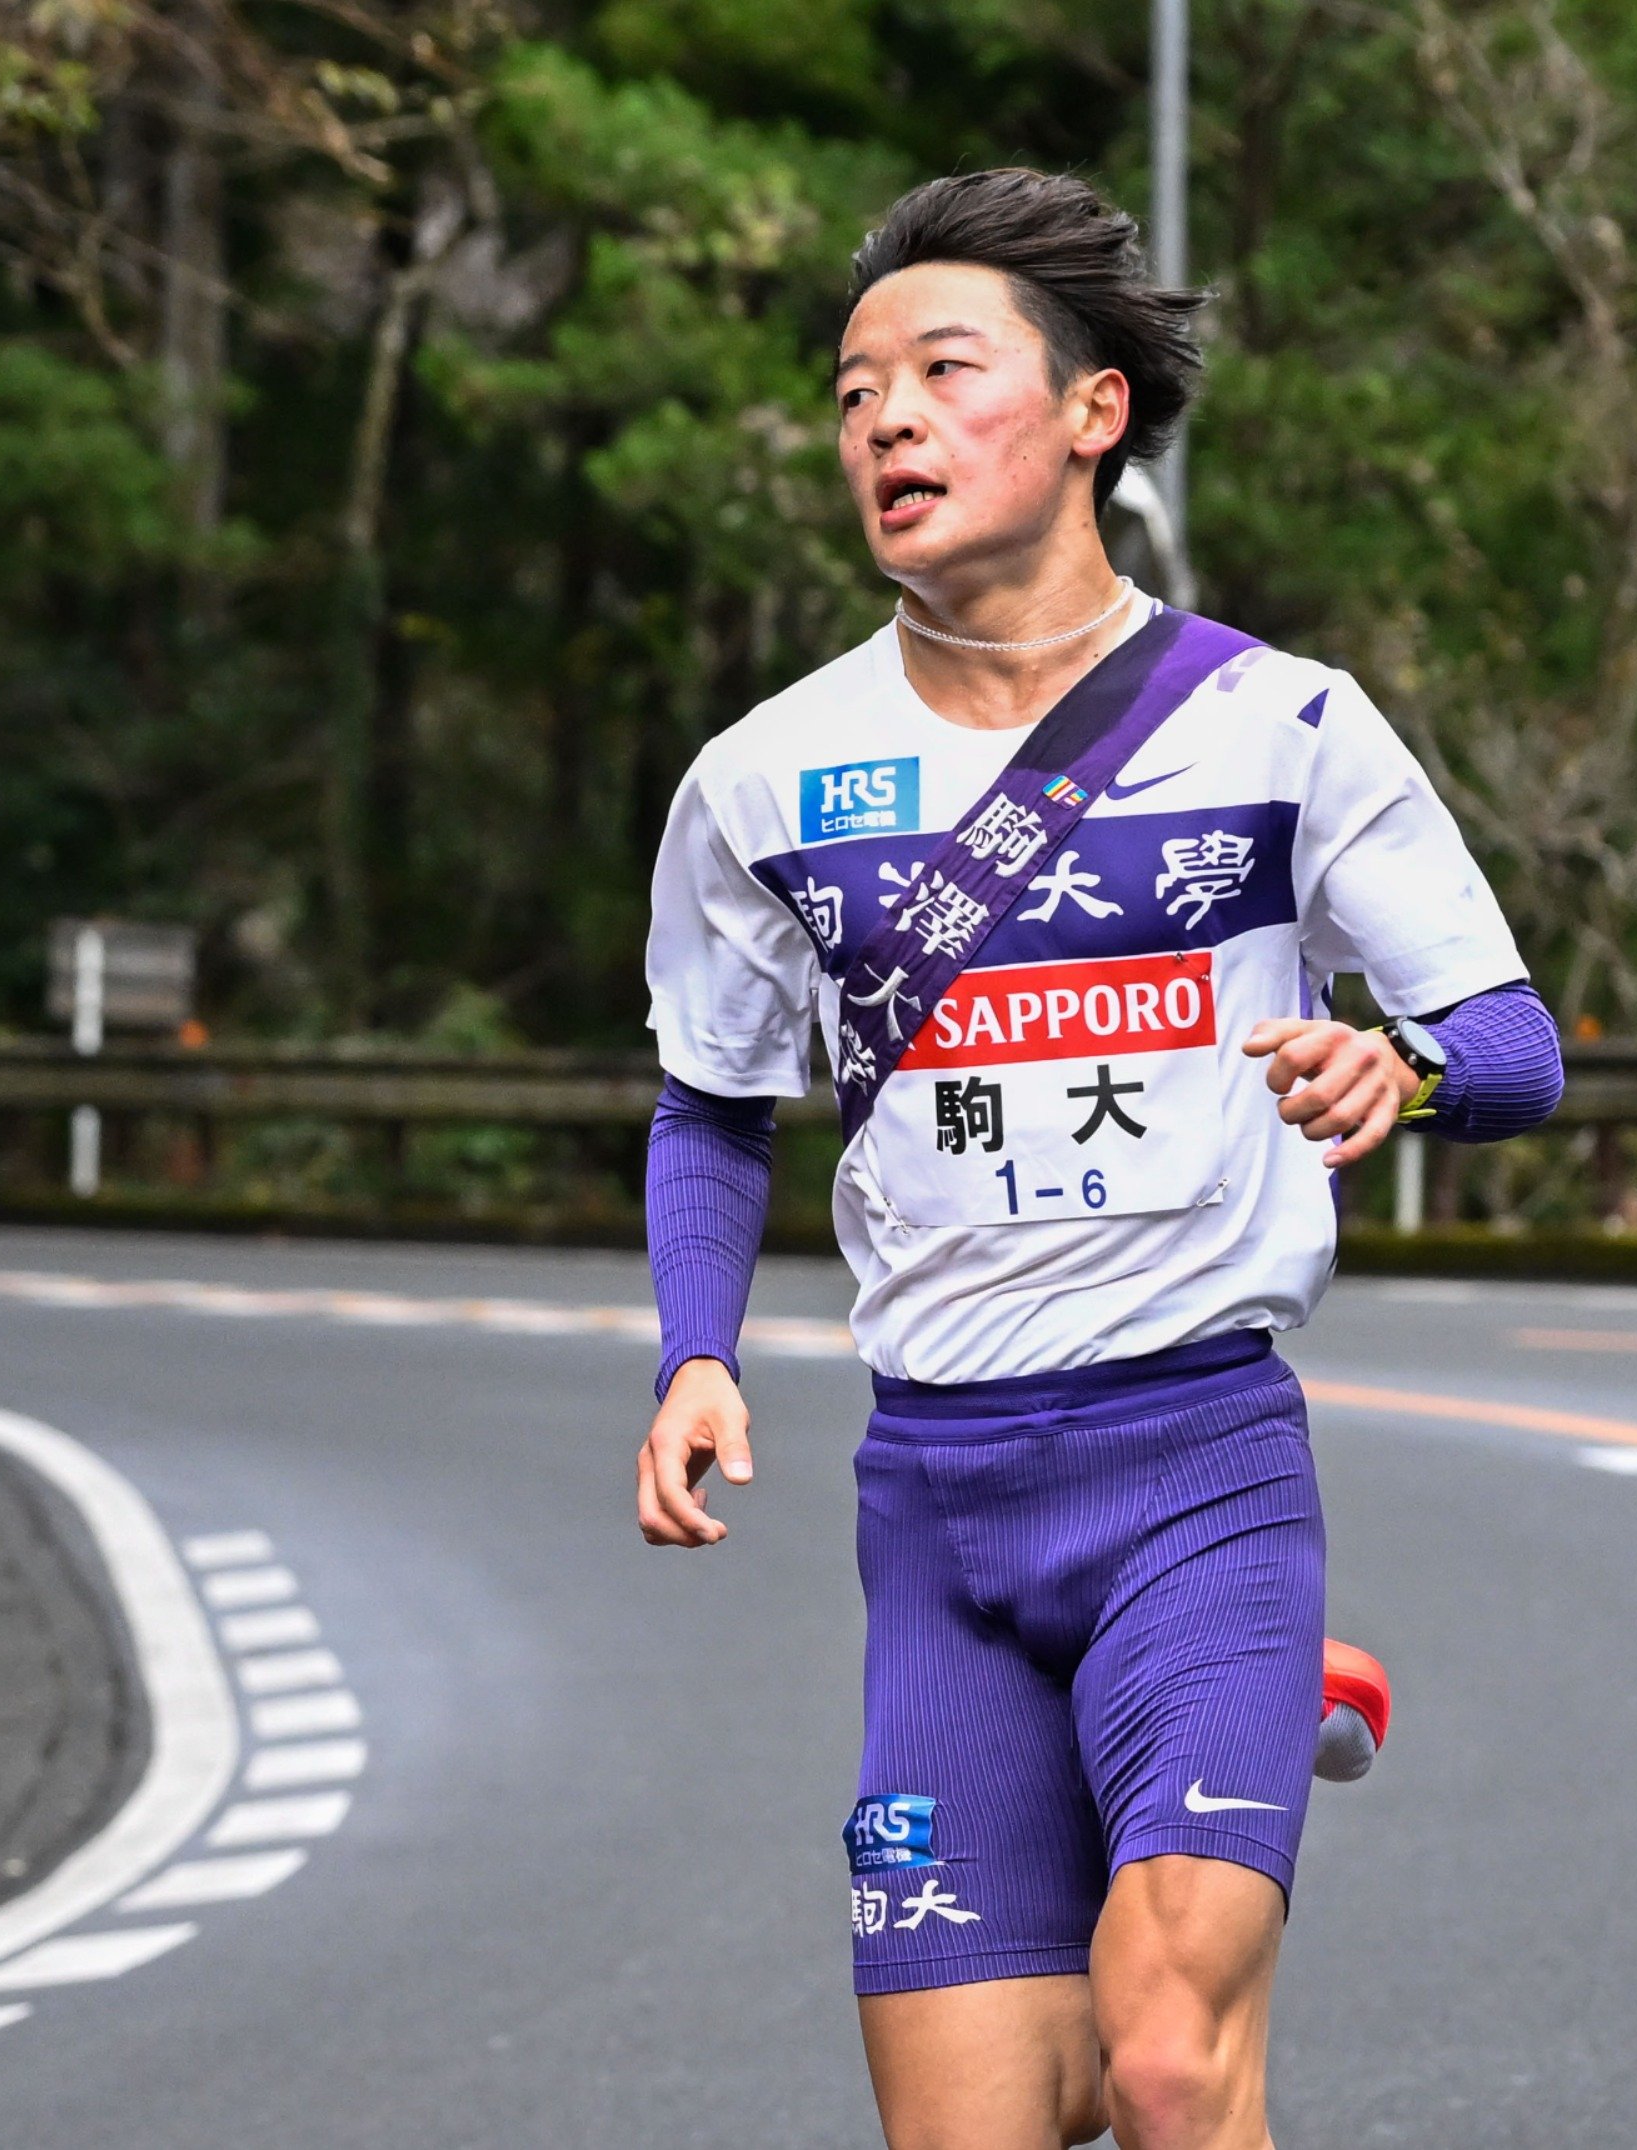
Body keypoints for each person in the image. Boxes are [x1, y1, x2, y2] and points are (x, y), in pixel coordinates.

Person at [631, 169, 1565, 2150]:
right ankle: (1250, 1720)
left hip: (1192, 1471)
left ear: (1087, 412)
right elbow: (711, 1101)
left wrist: (1396, 1074)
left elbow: (1514, 1044)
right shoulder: (760, 780)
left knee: (1162, 2059)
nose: (882, 416)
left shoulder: (1277, 725)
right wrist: (692, 1349)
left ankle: (1228, 1693)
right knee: (982, 2117)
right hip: (939, 1513)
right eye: (850, 387)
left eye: (940, 369)